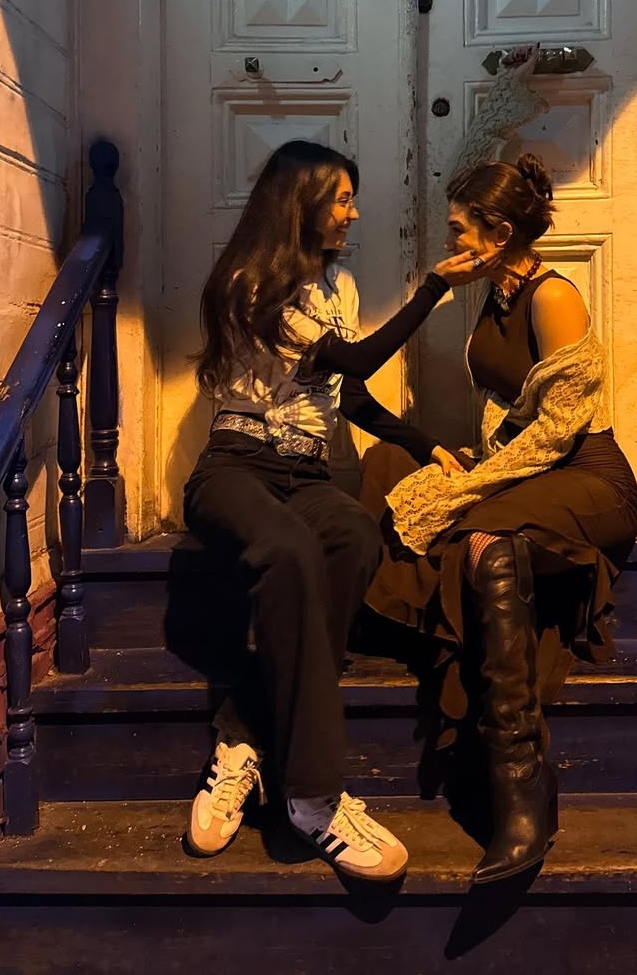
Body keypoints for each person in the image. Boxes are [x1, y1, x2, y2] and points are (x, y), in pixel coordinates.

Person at [181, 140, 491, 881]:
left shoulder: (341, 286)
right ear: (302, 203)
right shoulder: (248, 281)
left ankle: (243, 732)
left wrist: (423, 445)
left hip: (308, 472)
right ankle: (314, 799)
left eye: (353, 199)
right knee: (287, 548)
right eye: (342, 199)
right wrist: (433, 288)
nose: (353, 213)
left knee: (352, 532)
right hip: (236, 466)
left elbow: (349, 395)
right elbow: (352, 360)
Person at [362, 143, 637, 885]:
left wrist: (475, 485)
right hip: (531, 469)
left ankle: (520, 780)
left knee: (479, 533)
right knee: (393, 473)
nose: (452, 240)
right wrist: (469, 465)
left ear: (499, 232)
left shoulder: (553, 296)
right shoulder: (496, 293)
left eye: (460, 228)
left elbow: (557, 429)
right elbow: (506, 414)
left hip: (589, 477)